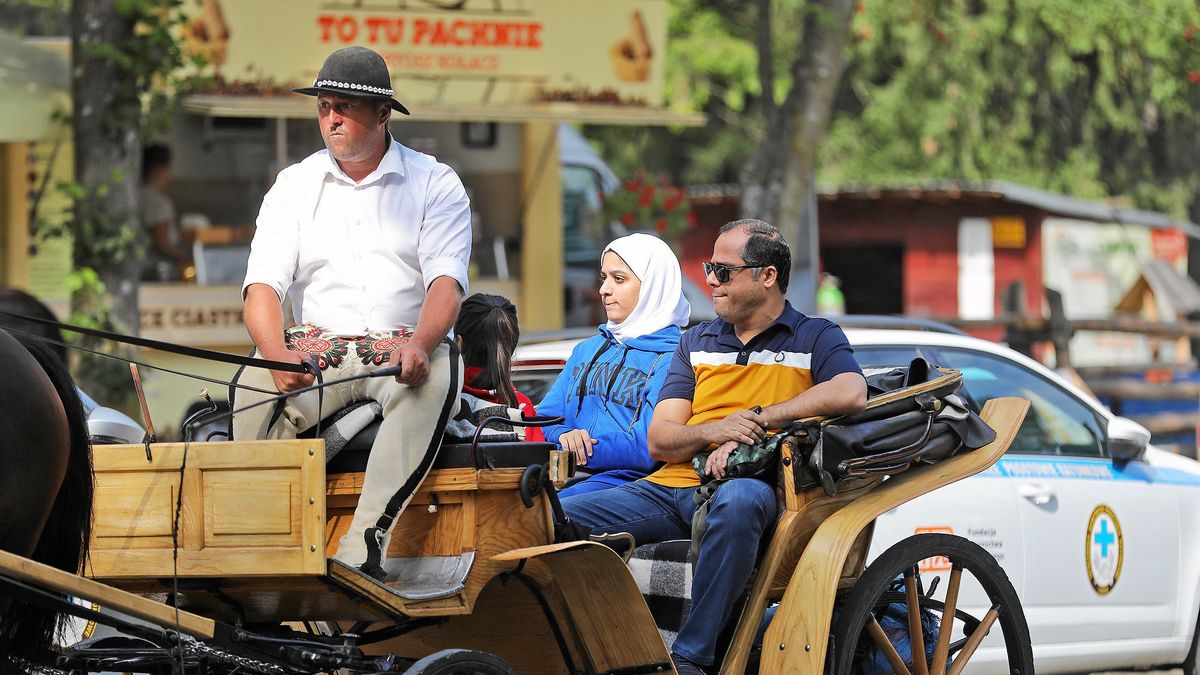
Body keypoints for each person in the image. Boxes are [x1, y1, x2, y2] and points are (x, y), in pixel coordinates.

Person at [561, 219, 867, 674]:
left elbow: (850, 392)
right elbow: (661, 440)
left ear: (767, 275)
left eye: (723, 271)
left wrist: (761, 419)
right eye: (709, 268)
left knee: (740, 499)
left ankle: (690, 660)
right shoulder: (696, 341)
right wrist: (714, 431)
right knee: (550, 516)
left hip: (756, 486)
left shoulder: (815, 336)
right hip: (671, 486)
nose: (709, 280)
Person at [231, 46, 471, 581]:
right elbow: (262, 287)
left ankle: (364, 544)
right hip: (317, 349)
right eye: (323, 106)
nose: (331, 118)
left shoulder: (435, 182)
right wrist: (276, 356)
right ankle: (252, 540)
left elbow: (446, 284)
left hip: (401, 348)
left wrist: (421, 344)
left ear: (383, 114)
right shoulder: (294, 185)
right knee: (248, 386)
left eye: (344, 106)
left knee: (435, 376)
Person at [539, 232, 690, 497]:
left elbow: (647, 448)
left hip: (627, 487)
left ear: (653, 286)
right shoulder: (586, 350)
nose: (604, 289)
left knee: (540, 519)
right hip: (562, 478)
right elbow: (541, 418)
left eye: (618, 279)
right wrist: (563, 435)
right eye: (604, 277)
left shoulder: (674, 359)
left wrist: (578, 450)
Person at [453, 293, 543, 441]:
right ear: (511, 347)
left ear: (459, 343)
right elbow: (538, 461)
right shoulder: (520, 407)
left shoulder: (445, 401)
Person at [140, 144, 190, 281]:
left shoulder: (135, 196)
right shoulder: (158, 202)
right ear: (160, 169)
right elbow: (162, 243)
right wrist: (186, 257)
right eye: (169, 167)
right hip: (158, 269)